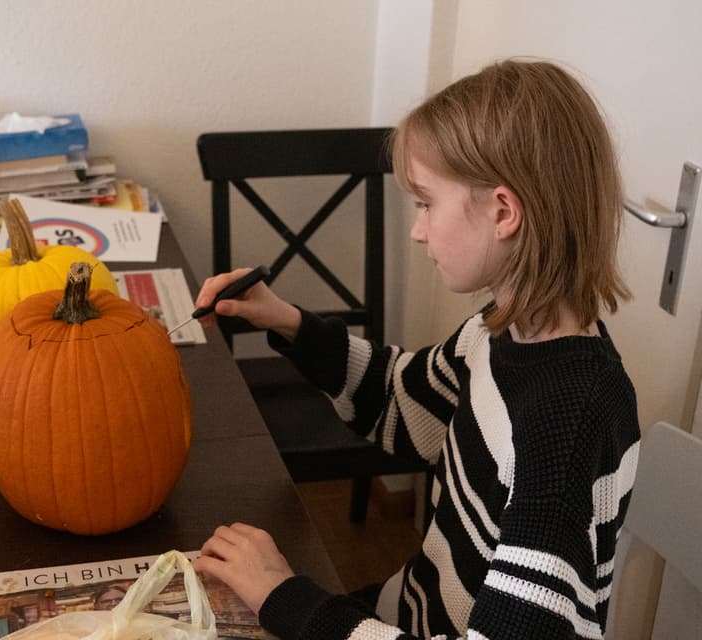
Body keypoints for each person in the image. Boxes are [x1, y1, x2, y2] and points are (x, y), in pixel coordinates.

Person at [191, 59, 641, 640]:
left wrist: (285, 597)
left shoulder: (568, 423)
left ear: (503, 212)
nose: (417, 229)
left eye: (427, 203)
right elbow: (401, 403)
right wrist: (287, 322)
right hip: (407, 615)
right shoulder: (501, 332)